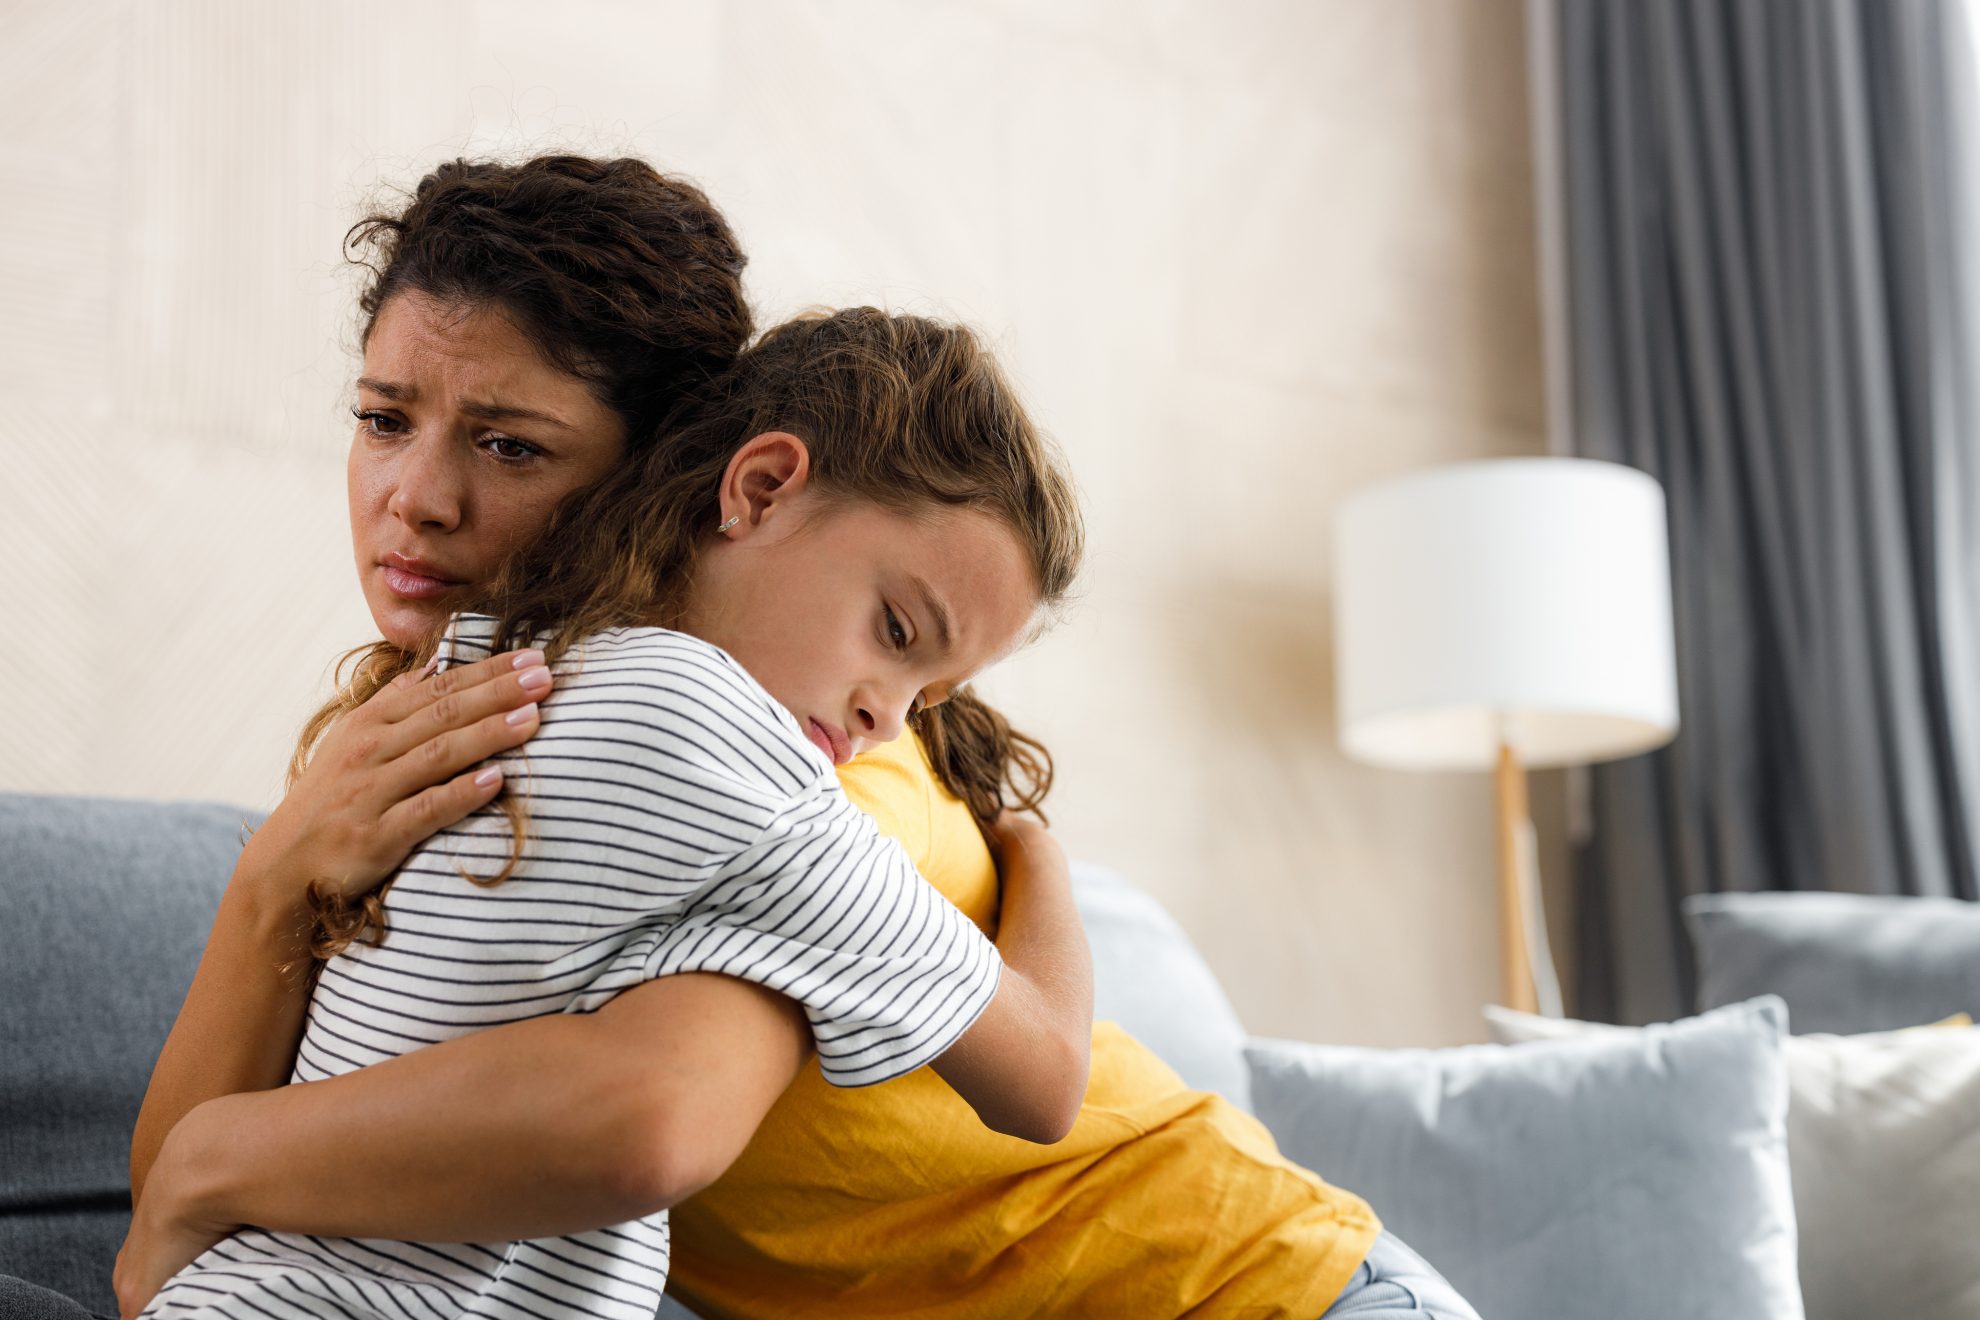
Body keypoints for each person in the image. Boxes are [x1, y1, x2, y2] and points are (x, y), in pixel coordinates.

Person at [7, 155, 1479, 1320]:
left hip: (1250, 1286)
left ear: (676, 477)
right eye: (385, 419)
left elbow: (651, 1112)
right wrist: (277, 873)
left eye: (511, 444)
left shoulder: (784, 741)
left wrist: (217, 1162)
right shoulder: (420, 739)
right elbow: (162, 1216)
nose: (417, 499)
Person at [124, 303, 1092, 1320]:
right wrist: (1036, 852)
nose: (886, 721)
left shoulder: (493, 664)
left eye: (927, 696)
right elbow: (1045, 1078)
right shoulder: (720, 738)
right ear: (760, 489)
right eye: (895, 631)